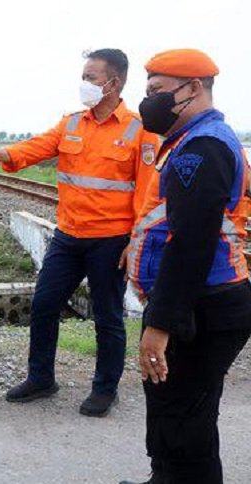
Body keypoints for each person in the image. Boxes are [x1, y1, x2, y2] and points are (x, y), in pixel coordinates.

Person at [0, 49, 160, 417]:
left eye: (91, 77)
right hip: (68, 237)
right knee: (43, 305)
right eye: (84, 77)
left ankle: (105, 389)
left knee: (107, 317)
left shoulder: (140, 130)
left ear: (114, 82)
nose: (84, 84)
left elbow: (148, 195)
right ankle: (41, 378)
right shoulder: (71, 123)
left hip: (110, 241)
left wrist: (137, 242)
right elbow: (37, 146)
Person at [120, 49, 251, 484]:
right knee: (183, 411)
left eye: (157, 91)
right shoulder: (194, 140)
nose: (148, 101)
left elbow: (191, 244)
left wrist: (161, 324)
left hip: (201, 308)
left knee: (180, 418)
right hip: (203, 302)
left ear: (193, 88)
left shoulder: (203, 147)